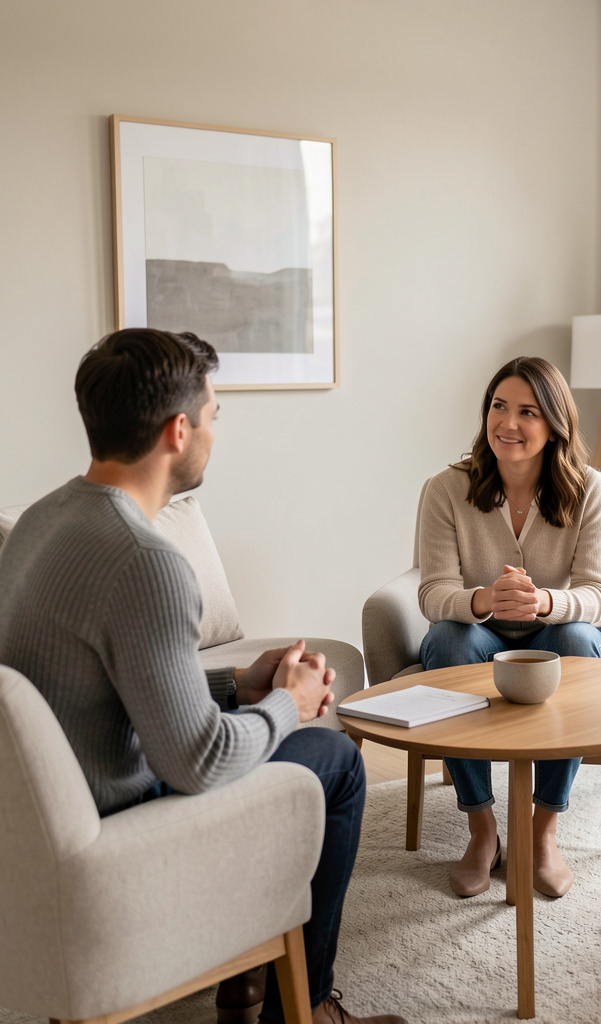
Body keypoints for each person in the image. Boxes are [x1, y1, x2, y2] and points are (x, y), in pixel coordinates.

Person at [0, 329, 405, 1024]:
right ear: (178, 430)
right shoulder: (145, 560)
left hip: (49, 815)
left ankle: (257, 979)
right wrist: (288, 702)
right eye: (214, 414)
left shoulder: (38, 522)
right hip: (118, 830)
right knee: (334, 760)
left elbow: (102, 691)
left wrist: (236, 687)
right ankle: (304, 1009)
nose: (216, 431)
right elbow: (201, 762)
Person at [418, 356, 601, 900]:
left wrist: (545, 601)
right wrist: (483, 599)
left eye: (528, 411)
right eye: (498, 407)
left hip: (557, 631)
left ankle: (543, 831)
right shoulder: (445, 489)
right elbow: (432, 592)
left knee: (576, 642)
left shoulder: (588, 489)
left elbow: (599, 594)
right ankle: (483, 832)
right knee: (447, 640)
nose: (508, 423)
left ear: (554, 424)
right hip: (480, 635)